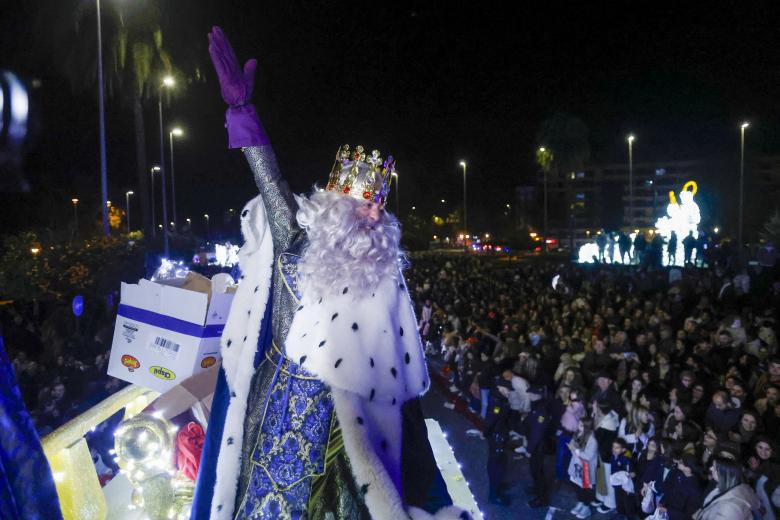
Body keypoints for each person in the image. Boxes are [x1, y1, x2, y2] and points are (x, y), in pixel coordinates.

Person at [193, 27, 469, 520]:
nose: (368, 218)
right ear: (332, 205)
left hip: (344, 428)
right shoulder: (295, 244)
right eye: (358, 206)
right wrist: (243, 115)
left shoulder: (383, 278)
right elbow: (270, 182)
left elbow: (400, 386)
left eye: (375, 211)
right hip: (275, 405)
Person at [694, 456, 761, 519]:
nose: (710, 468)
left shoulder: (730, 508)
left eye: (714, 467)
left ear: (726, 474)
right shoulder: (724, 488)